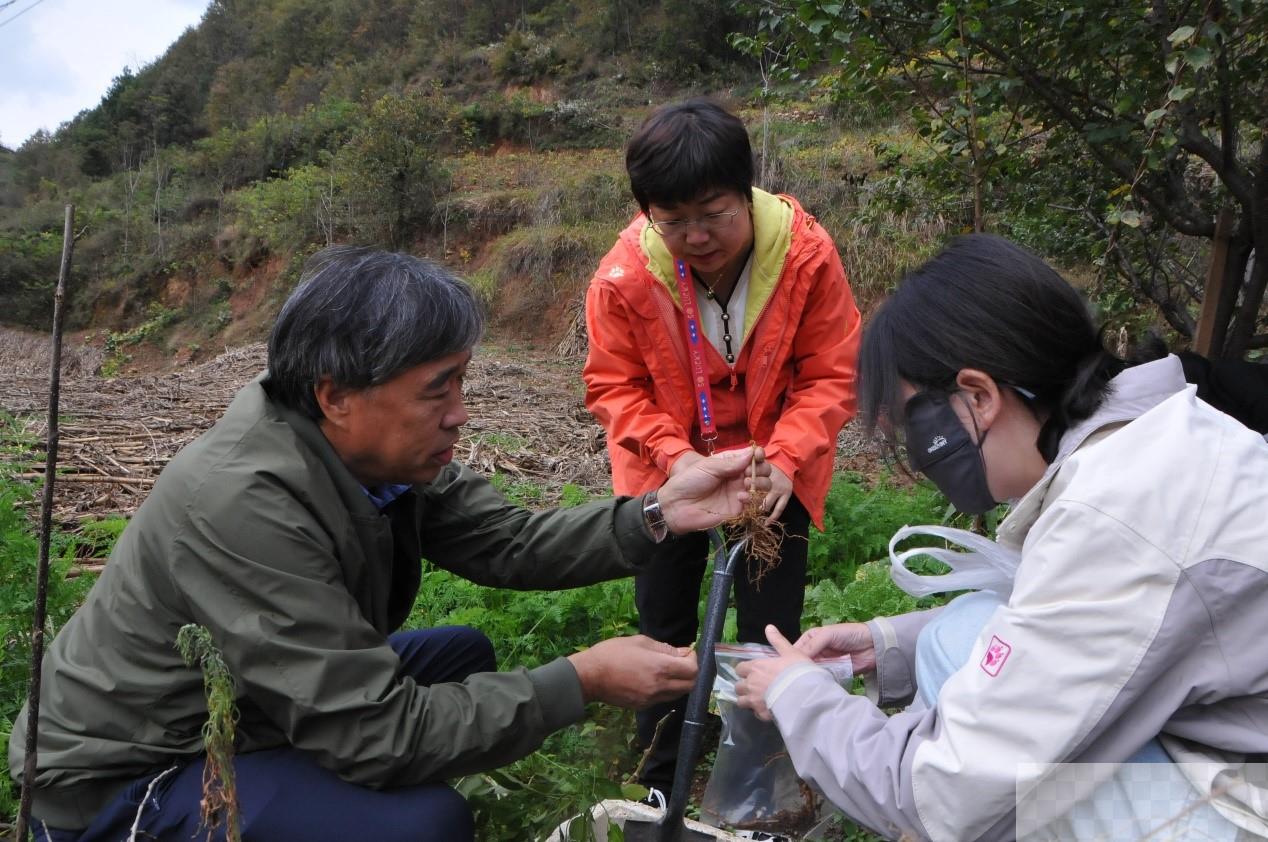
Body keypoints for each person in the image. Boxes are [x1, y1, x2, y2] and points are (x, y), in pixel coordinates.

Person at [9, 246, 773, 842]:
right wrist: (582, 680)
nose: (460, 415)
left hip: (252, 702)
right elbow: (376, 734)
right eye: (438, 387)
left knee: (462, 654)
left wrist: (659, 513)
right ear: (336, 393)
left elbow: (506, 541)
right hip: (131, 773)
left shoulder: (371, 453)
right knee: (425, 825)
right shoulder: (243, 502)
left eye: (462, 383)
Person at [733, 234, 1268, 840]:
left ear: (980, 396)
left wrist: (799, 698)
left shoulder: (1118, 513)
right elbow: (1069, 626)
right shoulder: (1154, 440)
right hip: (1232, 748)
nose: (920, 454)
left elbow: (942, 793)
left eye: (916, 423)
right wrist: (885, 646)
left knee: (995, 791)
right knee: (960, 633)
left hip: (1246, 808)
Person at [581, 98, 861, 796]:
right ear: (649, 212)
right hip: (668, 473)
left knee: (771, 626)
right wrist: (678, 460)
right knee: (665, 621)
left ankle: (758, 778)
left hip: (775, 474)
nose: (696, 236)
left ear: (749, 192)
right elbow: (616, 386)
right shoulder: (624, 277)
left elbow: (831, 372)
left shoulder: (806, 256)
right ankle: (660, 774)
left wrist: (787, 462)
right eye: (673, 221)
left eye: (714, 213)